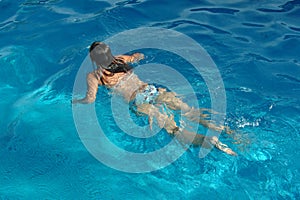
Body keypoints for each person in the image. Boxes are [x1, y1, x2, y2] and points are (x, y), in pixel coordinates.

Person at [72, 41, 237, 156]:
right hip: (152, 90)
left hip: (138, 101)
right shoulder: (121, 59)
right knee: (190, 111)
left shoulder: (94, 76)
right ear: (109, 53)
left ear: (94, 59)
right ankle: (228, 131)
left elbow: (91, 99)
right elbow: (140, 55)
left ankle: (207, 140)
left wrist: (77, 102)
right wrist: (136, 57)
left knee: (173, 130)